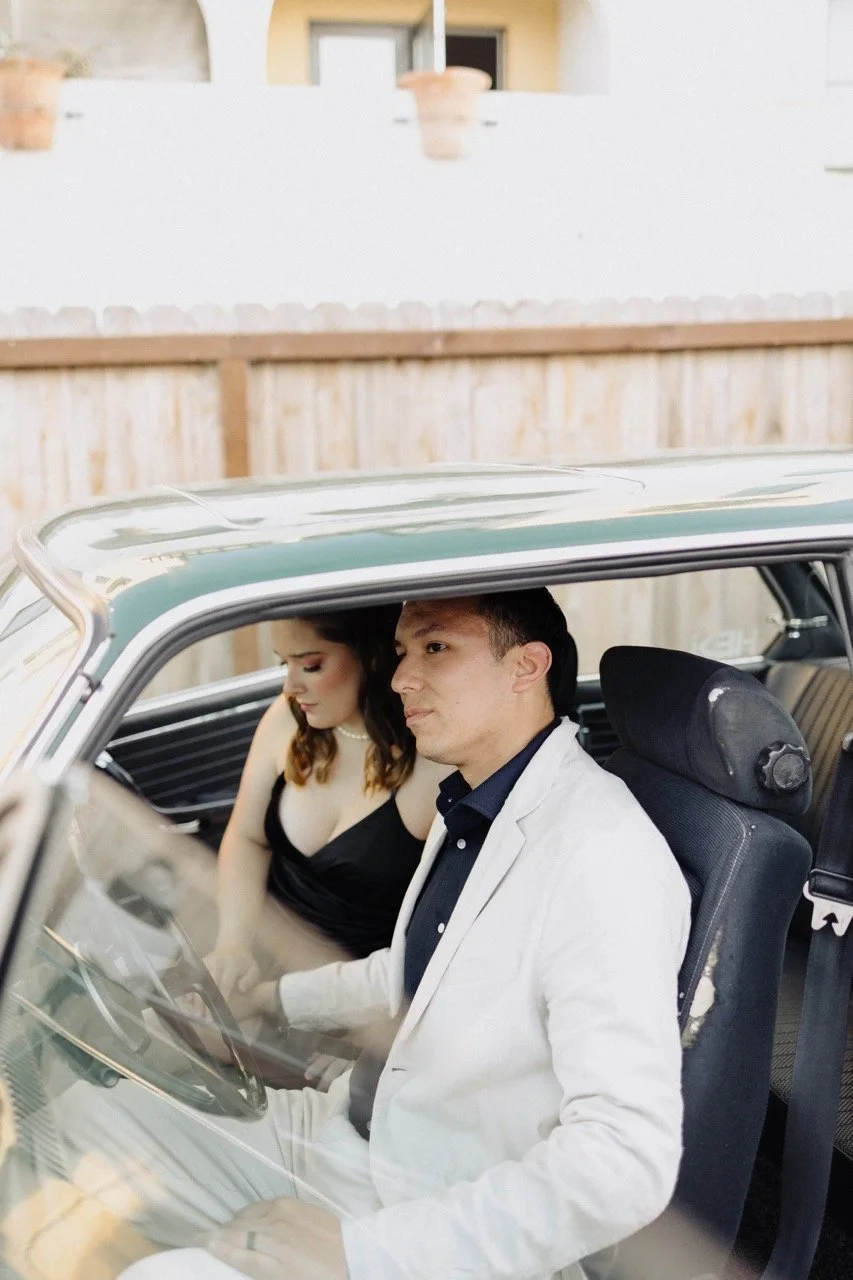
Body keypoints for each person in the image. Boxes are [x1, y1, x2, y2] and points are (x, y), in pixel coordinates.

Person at [63, 588, 691, 1280]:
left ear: (525, 666)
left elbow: (624, 1160)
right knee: (82, 1112)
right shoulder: (475, 802)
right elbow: (413, 974)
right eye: (399, 652)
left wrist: (363, 1254)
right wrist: (269, 999)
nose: (398, 678)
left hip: (425, 1204)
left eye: (435, 648)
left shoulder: (600, 855)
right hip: (350, 1135)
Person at [205, 606, 446, 999]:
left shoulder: (433, 765)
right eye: (285, 664)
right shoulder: (286, 720)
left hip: (348, 1000)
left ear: (372, 656)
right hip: (248, 967)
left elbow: (437, 936)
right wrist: (232, 944)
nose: (290, 686)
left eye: (311, 666)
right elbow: (248, 839)